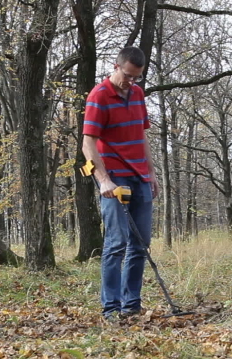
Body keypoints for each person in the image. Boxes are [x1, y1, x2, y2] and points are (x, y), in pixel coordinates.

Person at [82, 46, 160, 321]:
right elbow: (88, 143)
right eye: (127, 75)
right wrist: (103, 180)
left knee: (141, 243)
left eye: (136, 77)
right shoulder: (99, 96)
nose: (131, 82)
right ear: (116, 67)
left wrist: (151, 172)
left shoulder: (137, 94)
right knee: (117, 243)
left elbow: (142, 134)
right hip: (114, 178)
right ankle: (111, 309)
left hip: (139, 176)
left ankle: (131, 305)